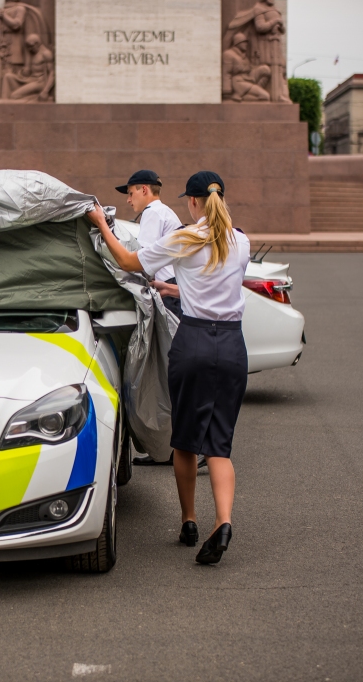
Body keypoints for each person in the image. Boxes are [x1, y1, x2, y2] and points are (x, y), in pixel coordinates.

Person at [87, 170, 250, 565]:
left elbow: (127, 259)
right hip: (231, 345)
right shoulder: (241, 241)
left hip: (192, 342)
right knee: (219, 444)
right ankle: (223, 521)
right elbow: (216, 284)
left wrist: (101, 226)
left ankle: (189, 519)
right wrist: (174, 288)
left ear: (192, 203)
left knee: (185, 441)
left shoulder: (185, 238)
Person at [113, 170, 206, 472]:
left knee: (175, 376)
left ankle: (197, 446)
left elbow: (140, 259)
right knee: (172, 377)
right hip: (173, 295)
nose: (128, 200)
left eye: (130, 193)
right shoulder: (162, 212)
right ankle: (171, 450)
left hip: (171, 301)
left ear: (144, 190)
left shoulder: (153, 213)